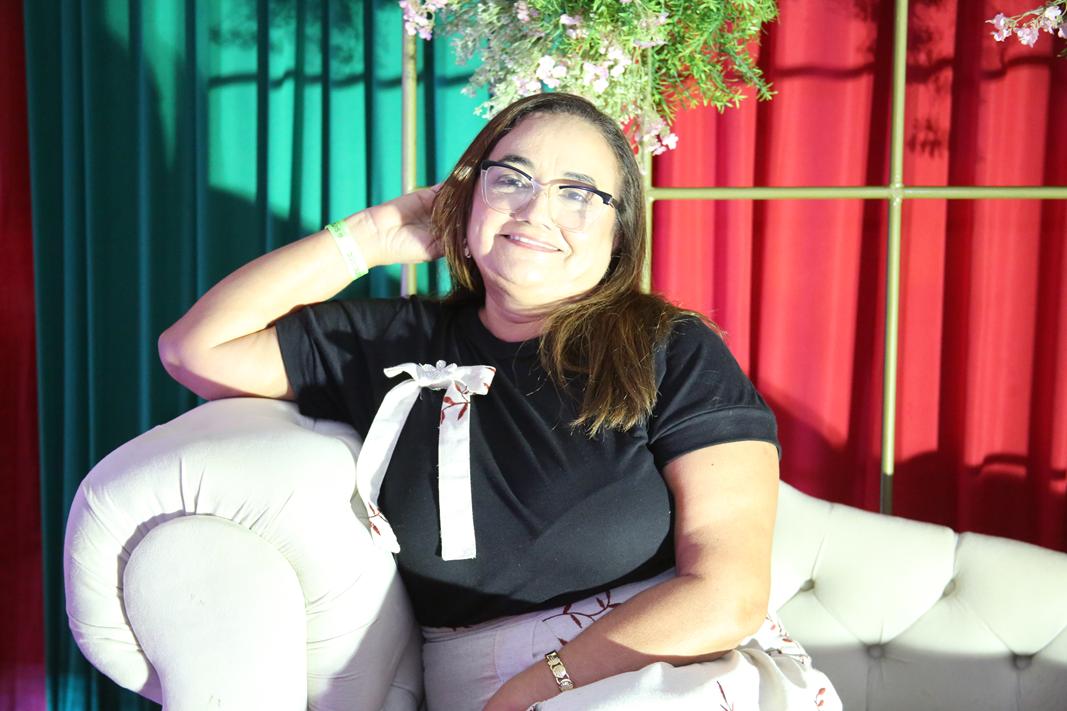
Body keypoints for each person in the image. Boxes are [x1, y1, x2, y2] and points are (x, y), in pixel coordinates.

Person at [159, 92, 841, 711]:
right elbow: (195, 348)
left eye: (578, 193)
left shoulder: (670, 348)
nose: (535, 209)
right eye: (511, 179)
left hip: (662, 673)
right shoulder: (395, 342)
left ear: (618, 233)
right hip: (480, 685)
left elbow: (727, 592)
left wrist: (534, 690)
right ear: (467, 199)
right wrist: (368, 237)